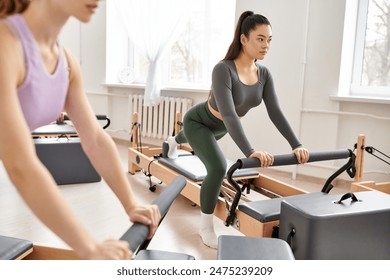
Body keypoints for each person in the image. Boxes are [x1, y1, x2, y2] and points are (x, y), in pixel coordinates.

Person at [0, 0, 160, 259]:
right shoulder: (6, 44)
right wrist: (89, 247)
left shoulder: (65, 62)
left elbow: (95, 139)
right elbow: (20, 165)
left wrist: (131, 203)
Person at [167, 11, 309, 249]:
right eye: (260, 39)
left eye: (269, 40)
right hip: (199, 122)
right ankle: (205, 228)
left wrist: (296, 144)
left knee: (195, 140)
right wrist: (250, 151)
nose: (266, 45)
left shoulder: (263, 74)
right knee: (218, 167)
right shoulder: (223, 69)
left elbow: (275, 111)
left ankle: (173, 141)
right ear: (244, 39)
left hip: (221, 128)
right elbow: (231, 114)